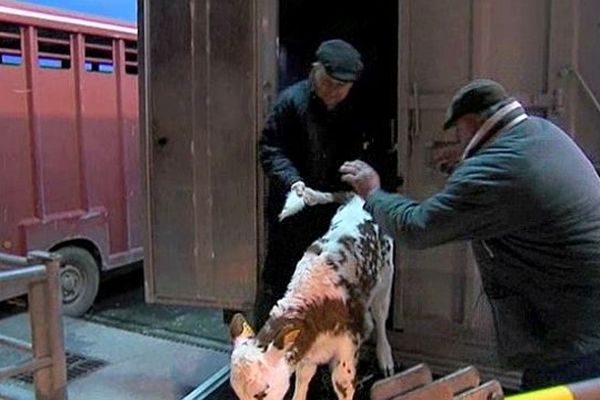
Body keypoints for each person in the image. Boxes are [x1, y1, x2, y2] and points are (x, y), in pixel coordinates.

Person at [340, 79, 600, 390]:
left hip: (572, 337)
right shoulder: (543, 133)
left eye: (458, 132)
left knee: (549, 391)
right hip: (587, 317)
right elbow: (510, 188)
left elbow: (417, 228)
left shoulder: (493, 171)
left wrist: (373, 192)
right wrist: (467, 163)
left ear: (470, 122)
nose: (458, 138)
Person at [256, 39, 367, 328]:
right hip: (292, 215)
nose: (334, 92)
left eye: (342, 87)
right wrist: (294, 182)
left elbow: (363, 155)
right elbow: (270, 149)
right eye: (328, 83)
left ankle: (315, 359)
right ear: (314, 70)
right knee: (281, 284)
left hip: (333, 217)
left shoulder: (354, 111)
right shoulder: (291, 102)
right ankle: (267, 353)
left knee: (327, 288)